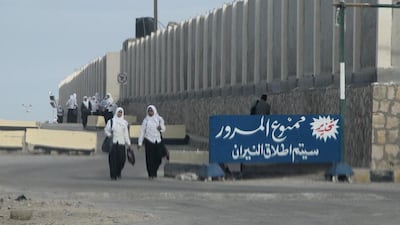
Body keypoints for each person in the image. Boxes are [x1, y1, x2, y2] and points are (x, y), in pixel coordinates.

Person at [138, 105, 166, 179]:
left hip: (158, 140)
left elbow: (163, 128)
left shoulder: (159, 119)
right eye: (149, 111)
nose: (150, 112)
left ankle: (155, 170)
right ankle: (151, 174)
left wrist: (160, 128)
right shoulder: (146, 120)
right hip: (149, 140)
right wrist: (140, 143)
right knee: (150, 159)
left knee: (158, 158)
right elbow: (142, 131)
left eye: (151, 111)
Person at [104, 107, 131, 180]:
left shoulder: (125, 123)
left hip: (121, 143)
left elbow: (126, 134)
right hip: (113, 143)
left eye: (121, 112)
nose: (119, 114)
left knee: (122, 160)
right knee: (113, 160)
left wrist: (128, 143)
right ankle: (113, 175)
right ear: (116, 112)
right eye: (118, 112)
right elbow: (106, 130)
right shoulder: (111, 121)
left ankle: (118, 172)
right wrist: (109, 135)